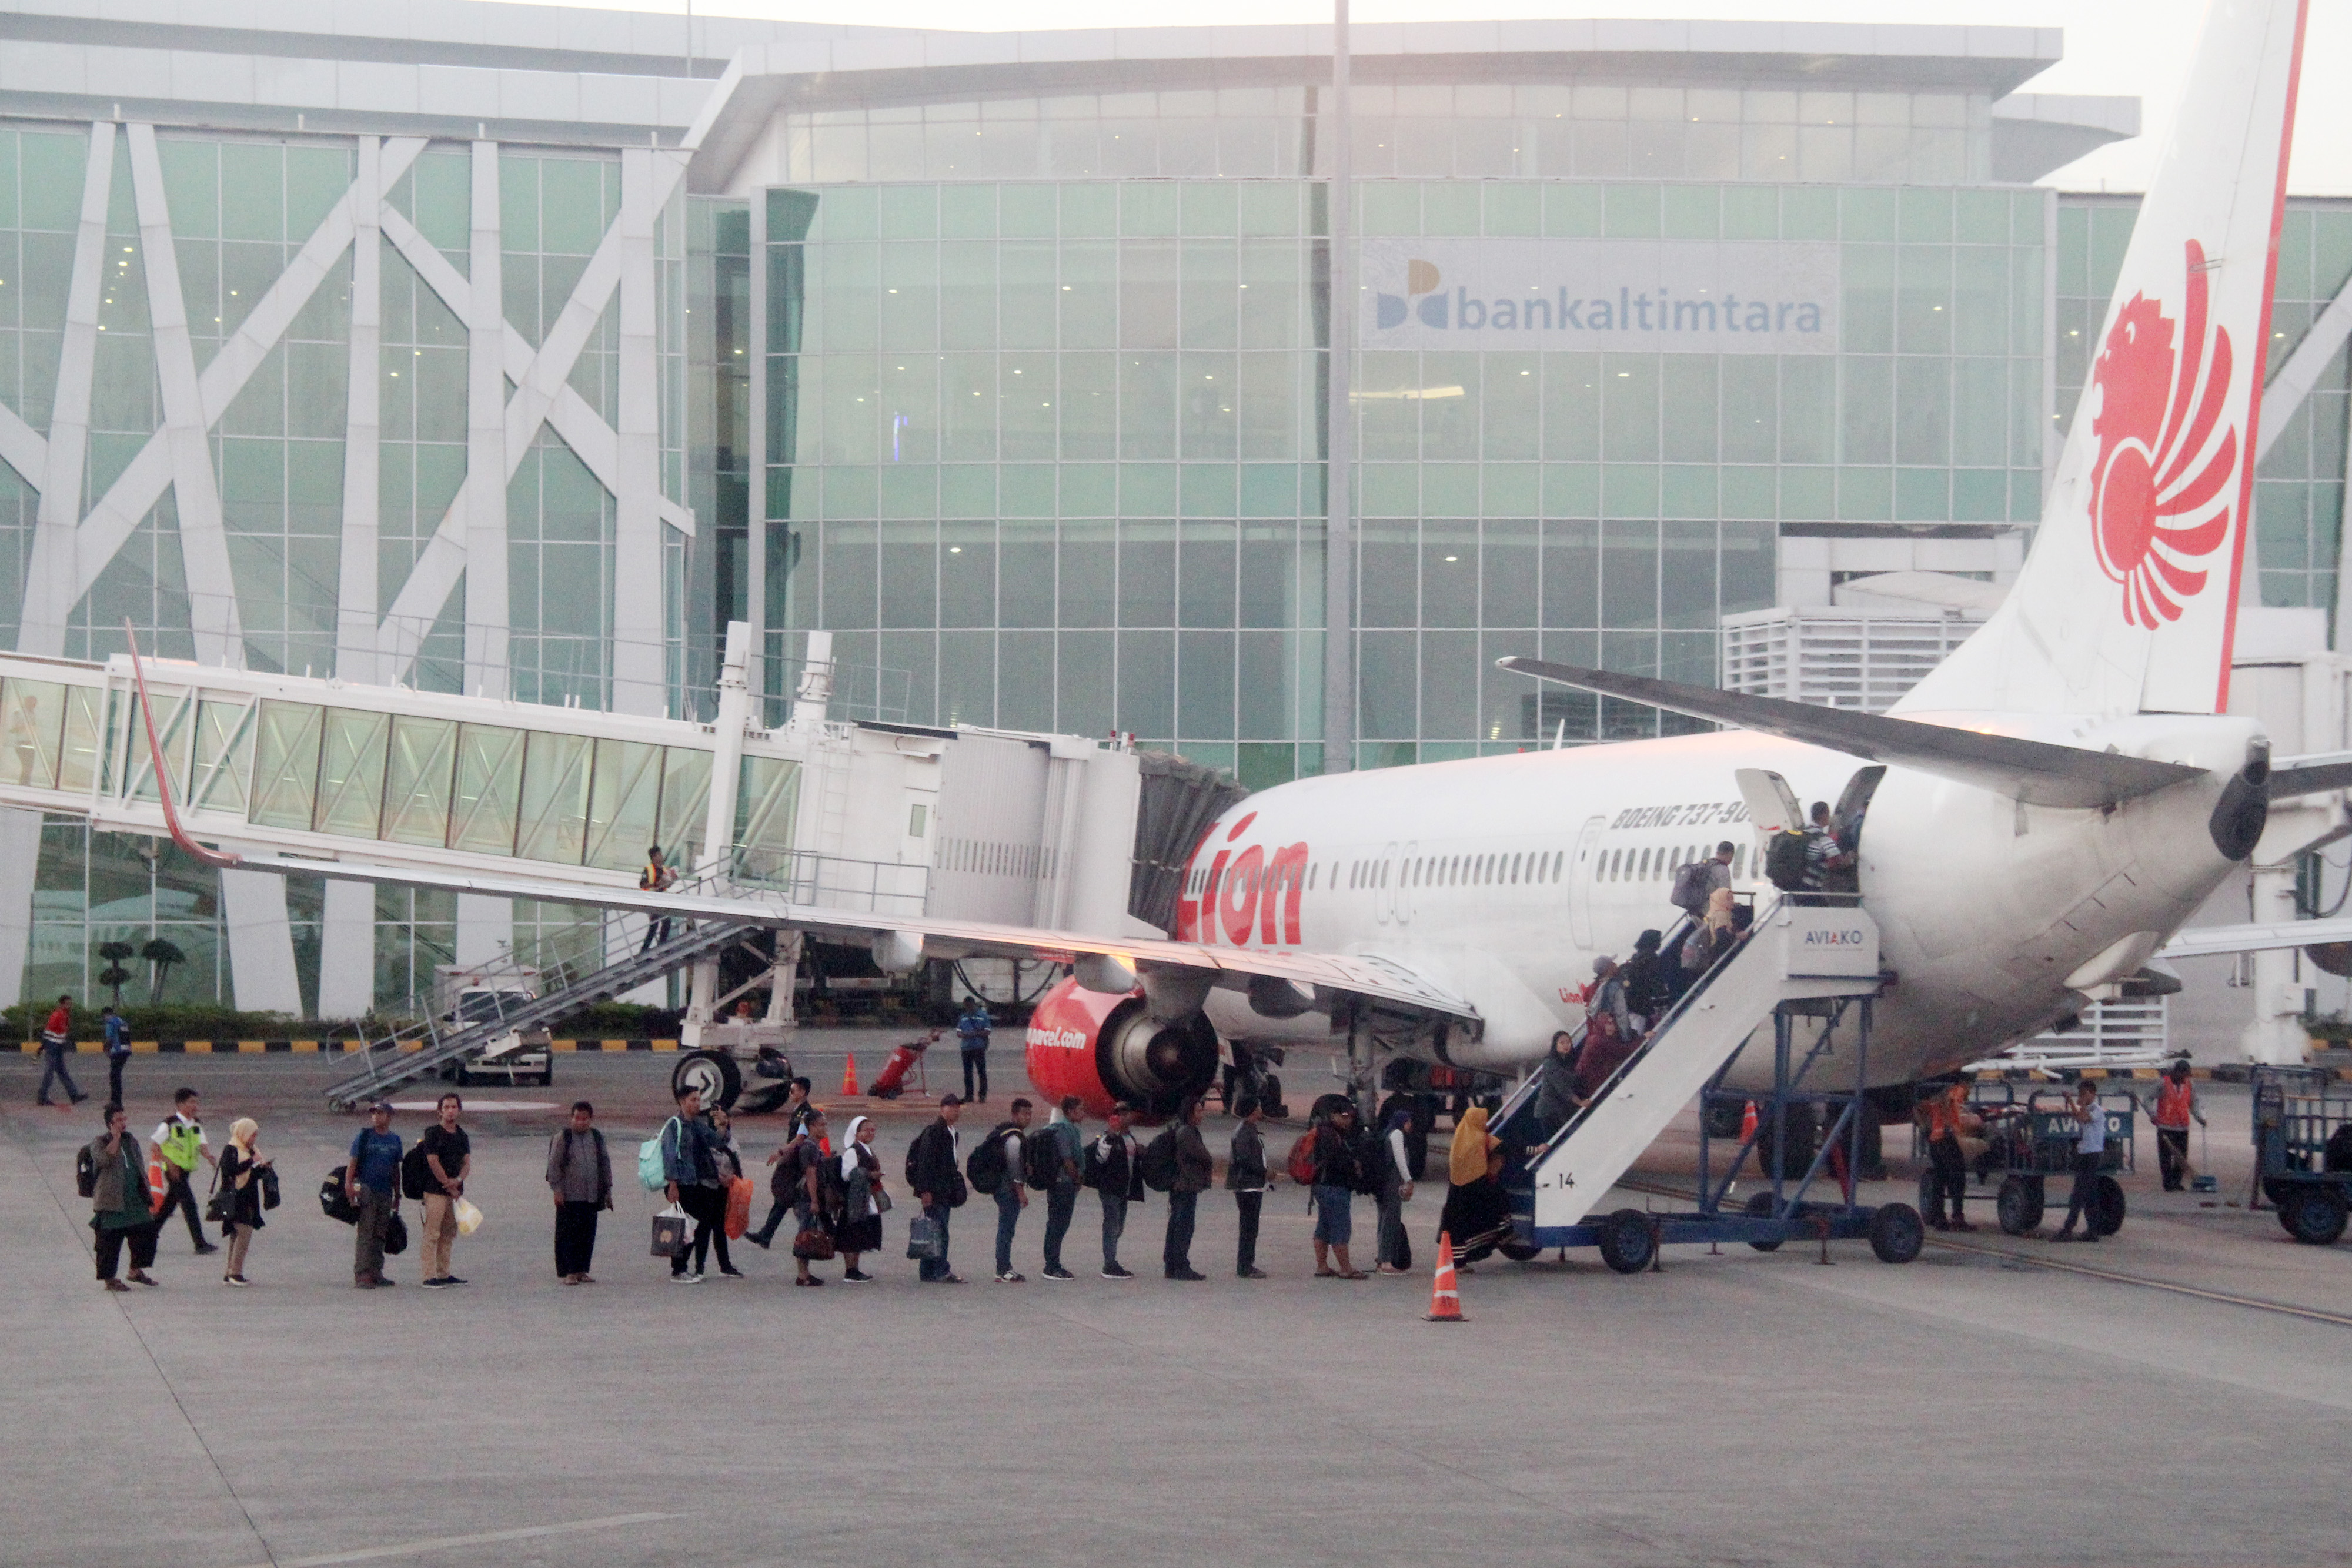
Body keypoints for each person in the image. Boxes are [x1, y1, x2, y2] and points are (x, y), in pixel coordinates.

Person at [87, 1104, 159, 1290]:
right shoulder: (99, 1142)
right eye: (118, 1120)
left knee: (145, 1232)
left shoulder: (131, 1140)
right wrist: (115, 1139)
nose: (123, 1123)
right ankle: (110, 1279)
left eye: (124, 1119)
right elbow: (103, 1160)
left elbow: (139, 1165)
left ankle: (135, 1270)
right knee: (109, 1241)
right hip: (112, 1201)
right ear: (110, 1123)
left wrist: (145, 1189)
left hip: (135, 1199)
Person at [661, 1085, 726, 1282]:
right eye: (693, 1100)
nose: (698, 1103)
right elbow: (669, 1156)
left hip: (694, 1182)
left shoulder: (696, 1124)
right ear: (682, 1102)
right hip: (680, 1183)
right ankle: (679, 1270)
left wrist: (722, 1125)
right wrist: (673, 1184)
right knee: (686, 1225)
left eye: (699, 1099)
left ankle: (681, 1267)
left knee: (700, 1221)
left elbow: (717, 1141)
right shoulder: (674, 1125)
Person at [545, 1101, 612, 1284]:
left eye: (585, 1119)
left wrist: (608, 1190)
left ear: (590, 1119)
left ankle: (582, 1270)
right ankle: (569, 1272)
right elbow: (554, 1166)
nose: (581, 1122)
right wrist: (557, 1190)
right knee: (568, 1235)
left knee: (587, 1234)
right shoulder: (563, 1138)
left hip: (591, 1196)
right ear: (571, 1118)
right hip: (569, 1196)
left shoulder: (597, 1137)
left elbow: (605, 1164)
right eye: (577, 1118)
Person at [1438, 1104, 1512, 1265]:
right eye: (1483, 1120)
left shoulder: (1460, 1136)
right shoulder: (1480, 1138)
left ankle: (1457, 1264)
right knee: (1499, 1203)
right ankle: (1505, 1234)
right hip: (1475, 1190)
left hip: (1456, 1191)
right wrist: (1535, 1150)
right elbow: (1507, 1148)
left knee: (1457, 1227)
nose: (1485, 1124)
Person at [152, 1087, 219, 1255]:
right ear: (180, 1104)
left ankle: (148, 1235)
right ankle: (200, 1243)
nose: (195, 1106)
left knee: (168, 1206)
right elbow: (154, 1146)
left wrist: (208, 1156)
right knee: (189, 1205)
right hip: (174, 1172)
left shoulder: (196, 1124)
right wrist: (169, 1162)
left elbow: (201, 1143)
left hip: (186, 1170)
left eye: (197, 1102)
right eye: (192, 1102)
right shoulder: (169, 1124)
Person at [906, 1092, 965, 1282]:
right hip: (936, 1190)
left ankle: (928, 1271)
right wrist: (925, 1191)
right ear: (942, 1109)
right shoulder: (935, 1132)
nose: (955, 1111)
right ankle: (941, 1270)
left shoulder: (951, 1133)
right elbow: (925, 1163)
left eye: (957, 1107)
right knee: (940, 1231)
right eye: (951, 1107)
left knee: (933, 1230)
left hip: (944, 1189)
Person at [344, 1101, 402, 1288]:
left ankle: (377, 1272)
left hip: (385, 1192)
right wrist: (349, 1185)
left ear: (389, 1117)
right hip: (367, 1190)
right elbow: (353, 1163)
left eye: (381, 1113)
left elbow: (396, 1168)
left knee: (380, 1234)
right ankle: (362, 1273)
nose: (376, 1117)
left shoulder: (395, 1140)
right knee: (366, 1233)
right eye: (374, 1113)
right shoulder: (364, 1137)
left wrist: (397, 1193)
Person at [417, 1092, 472, 1287]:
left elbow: (466, 1163)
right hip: (435, 1191)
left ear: (459, 1110)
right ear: (440, 1111)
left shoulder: (462, 1135)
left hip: (455, 1192)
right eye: (447, 1107)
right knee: (432, 1233)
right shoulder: (432, 1133)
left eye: (454, 1107)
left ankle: (444, 1272)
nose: (451, 1111)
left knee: (449, 1233)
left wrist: (458, 1180)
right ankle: (428, 1275)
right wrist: (448, 1184)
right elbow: (433, 1161)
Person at [1311, 1102, 1367, 1279]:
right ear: (1333, 1116)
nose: (1348, 1120)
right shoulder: (1330, 1135)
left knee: (1324, 1226)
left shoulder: (1323, 1131)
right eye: (1344, 1116)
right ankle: (1346, 1268)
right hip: (1334, 1187)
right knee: (1341, 1227)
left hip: (1321, 1186)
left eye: (1350, 1116)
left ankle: (1322, 1266)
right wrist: (1354, 1166)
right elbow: (1336, 1162)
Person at [1088, 1102, 1144, 1279]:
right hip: (1111, 1189)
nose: (1125, 1117)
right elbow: (1100, 1158)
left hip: (1123, 1190)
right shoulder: (1108, 1138)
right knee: (1112, 1226)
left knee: (1118, 1227)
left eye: (1126, 1114)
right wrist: (1111, 1136)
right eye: (1120, 1115)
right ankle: (1110, 1263)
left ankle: (1111, 1260)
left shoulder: (1130, 1138)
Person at [2052, 1081, 2110, 1243]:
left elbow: (2084, 1118)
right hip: (2084, 1153)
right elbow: (2078, 1117)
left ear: (2093, 1094)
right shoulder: (2087, 1109)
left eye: (2085, 1094)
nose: (2082, 1098)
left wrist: (2082, 1103)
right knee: (2090, 1193)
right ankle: (2092, 1230)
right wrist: (2071, 1100)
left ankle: (2068, 1228)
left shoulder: (2098, 1111)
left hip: (2092, 1154)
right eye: (2081, 1094)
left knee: (2079, 1193)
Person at [1162, 1095, 1212, 1281]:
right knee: (1183, 1226)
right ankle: (1180, 1265)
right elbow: (1203, 1156)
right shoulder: (1187, 1133)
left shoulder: (1185, 1131)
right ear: (1190, 1113)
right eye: (1199, 1110)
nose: (1202, 1114)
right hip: (1185, 1186)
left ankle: (1172, 1265)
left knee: (1177, 1225)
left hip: (1184, 1185)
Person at [216, 1117, 270, 1286]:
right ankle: (235, 1273)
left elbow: (251, 1175)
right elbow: (230, 1171)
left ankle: (230, 1273)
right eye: (252, 1135)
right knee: (244, 1232)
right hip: (236, 1197)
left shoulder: (251, 1150)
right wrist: (250, 1162)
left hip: (249, 1196)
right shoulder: (232, 1149)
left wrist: (262, 1168)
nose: (254, 1139)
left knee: (236, 1234)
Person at [1039, 1096, 1085, 1281]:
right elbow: (1068, 1161)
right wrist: (1077, 1179)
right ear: (1071, 1112)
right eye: (1081, 1109)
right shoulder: (1065, 1132)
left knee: (1057, 1224)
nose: (1084, 1113)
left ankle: (1053, 1262)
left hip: (1059, 1184)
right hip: (1063, 1185)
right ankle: (1052, 1265)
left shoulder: (1064, 1129)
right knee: (1058, 1224)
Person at [787, 1108, 835, 1286]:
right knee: (805, 1234)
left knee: (807, 1232)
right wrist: (814, 1200)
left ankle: (805, 1273)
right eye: (822, 1125)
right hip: (806, 1198)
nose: (825, 1128)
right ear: (812, 1127)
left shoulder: (814, 1146)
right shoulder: (810, 1147)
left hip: (808, 1197)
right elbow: (810, 1175)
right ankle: (803, 1275)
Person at [836, 1114, 884, 1282]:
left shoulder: (867, 1150)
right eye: (867, 1130)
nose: (871, 1133)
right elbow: (847, 1174)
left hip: (865, 1197)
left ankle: (855, 1269)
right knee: (851, 1236)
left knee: (858, 1235)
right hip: (854, 1200)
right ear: (857, 1133)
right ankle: (850, 1270)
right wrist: (870, 1174)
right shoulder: (852, 1151)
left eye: (873, 1130)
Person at [1921, 1082, 1975, 1232]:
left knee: (1940, 1178)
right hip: (1948, 1138)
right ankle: (1957, 1217)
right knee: (1957, 1177)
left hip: (1935, 1139)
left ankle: (1938, 1217)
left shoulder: (1936, 1093)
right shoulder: (1956, 1091)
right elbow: (1957, 1114)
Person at [1227, 1095, 1271, 1278]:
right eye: (1258, 1107)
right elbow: (1245, 1159)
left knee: (1251, 1227)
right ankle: (1245, 1265)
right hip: (1247, 1186)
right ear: (1253, 1111)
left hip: (1253, 1185)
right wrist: (1264, 1172)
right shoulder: (1245, 1133)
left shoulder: (1249, 1130)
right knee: (1249, 1228)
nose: (1261, 1110)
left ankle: (1247, 1263)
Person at [991, 1097, 1034, 1283]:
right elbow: (1015, 1168)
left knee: (1006, 1228)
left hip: (1002, 1188)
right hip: (1008, 1190)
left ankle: (1003, 1267)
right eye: (1025, 1114)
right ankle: (1003, 1268)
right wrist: (1021, 1191)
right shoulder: (1014, 1139)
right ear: (1015, 1115)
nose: (1028, 1118)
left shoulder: (1005, 1133)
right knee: (1007, 1229)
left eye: (1030, 1114)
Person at [1373, 1096, 1417, 1273]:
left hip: (1382, 1183)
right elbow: (1400, 1160)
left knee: (1383, 1219)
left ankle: (1381, 1257)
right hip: (1392, 1181)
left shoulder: (1386, 1132)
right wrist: (1408, 1180)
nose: (1410, 1125)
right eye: (1409, 1122)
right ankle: (1386, 1261)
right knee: (1391, 1220)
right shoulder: (1397, 1134)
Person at [706, 1105, 747, 1278]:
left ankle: (725, 1265)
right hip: (707, 1187)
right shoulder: (706, 1140)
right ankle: (688, 1266)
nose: (722, 1124)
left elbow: (736, 1162)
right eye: (718, 1121)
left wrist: (735, 1181)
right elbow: (704, 1163)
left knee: (719, 1228)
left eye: (725, 1120)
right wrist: (717, 1177)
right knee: (702, 1228)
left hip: (725, 1189)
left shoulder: (732, 1142)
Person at [2154, 1058, 2205, 1191]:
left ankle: (2177, 1182)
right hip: (2166, 1126)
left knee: (2181, 1156)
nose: (2185, 1079)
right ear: (2177, 1073)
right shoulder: (2163, 1084)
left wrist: (2200, 1118)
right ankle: (2167, 1182)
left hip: (2182, 1127)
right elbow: (2147, 1098)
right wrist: (2152, 1115)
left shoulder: (2190, 1085)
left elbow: (2193, 1104)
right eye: (2184, 1076)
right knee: (2165, 1157)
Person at [1532, 1031, 1587, 1142]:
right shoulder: (1550, 1063)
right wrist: (1579, 1102)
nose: (1566, 1046)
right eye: (1562, 1043)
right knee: (1556, 1142)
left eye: (1568, 1042)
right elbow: (1561, 1087)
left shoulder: (1570, 1061)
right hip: (1549, 1111)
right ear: (1555, 1045)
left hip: (1564, 1109)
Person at [35, 992, 86, 1106]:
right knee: (50, 1072)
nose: (70, 1006)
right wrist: (43, 1046)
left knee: (62, 1072)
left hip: (58, 1047)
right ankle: (42, 1097)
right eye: (67, 1004)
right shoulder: (57, 1015)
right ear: (61, 1004)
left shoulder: (64, 1015)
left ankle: (74, 1095)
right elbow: (48, 1031)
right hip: (53, 1047)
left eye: (70, 1004)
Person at [1619, 930, 1671, 1029]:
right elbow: (1656, 985)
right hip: (1646, 1005)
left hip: (1634, 1004)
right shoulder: (1652, 960)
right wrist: (1659, 1008)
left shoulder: (1635, 958)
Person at [1671, 841, 1736, 920]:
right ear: (1730, 854)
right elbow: (1725, 895)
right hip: (1710, 913)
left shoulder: (1704, 864)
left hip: (1696, 911)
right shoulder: (1723, 870)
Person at [639, 846, 678, 952]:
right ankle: (646, 949)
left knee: (665, 922)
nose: (662, 857)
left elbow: (667, 886)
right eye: (660, 855)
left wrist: (671, 880)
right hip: (652, 900)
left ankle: (660, 946)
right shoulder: (648, 870)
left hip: (662, 900)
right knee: (655, 924)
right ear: (654, 857)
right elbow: (643, 885)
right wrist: (656, 884)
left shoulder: (665, 870)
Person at [956, 997, 994, 1103]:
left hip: (978, 1047)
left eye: (969, 1006)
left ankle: (982, 1095)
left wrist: (974, 1034)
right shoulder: (963, 1017)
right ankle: (969, 1095)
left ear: (973, 1004)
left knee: (981, 1072)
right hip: (966, 1048)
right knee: (968, 1073)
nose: (968, 1008)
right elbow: (959, 1032)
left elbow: (987, 1031)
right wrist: (964, 1035)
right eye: (966, 1006)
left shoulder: (983, 1016)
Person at [101, 1005, 131, 1106]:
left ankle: (116, 1102)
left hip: (117, 1052)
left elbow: (109, 1039)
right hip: (126, 1052)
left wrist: (106, 1049)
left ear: (106, 1015)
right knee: (117, 1076)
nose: (105, 1019)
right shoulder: (122, 1022)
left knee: (114, 1078)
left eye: (104, 1017)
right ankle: (116, 1101)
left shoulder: (110, 1023)